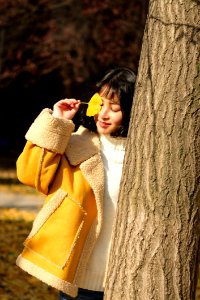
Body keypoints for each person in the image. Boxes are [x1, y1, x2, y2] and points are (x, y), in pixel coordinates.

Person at [16, 66, 136, 299]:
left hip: (129, 281)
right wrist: (57, 123)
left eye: (115, 108)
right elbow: (30, 174)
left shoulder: (145, 158)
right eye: (100, 104)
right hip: (80, 281)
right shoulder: (75, 146)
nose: (103, 114)